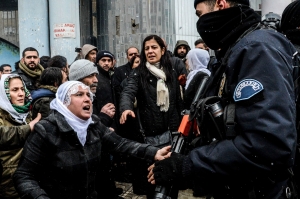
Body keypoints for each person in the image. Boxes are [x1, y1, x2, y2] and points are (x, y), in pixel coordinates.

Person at [148, 0, 297, 198]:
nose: (200, 23)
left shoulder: (256, 48)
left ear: (220, 4)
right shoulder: (235, 49)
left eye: (200, 14)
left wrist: (190, 165)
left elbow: (268, 146)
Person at [13, 81, 170, 199]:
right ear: (63, 102)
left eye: (88, 95)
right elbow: (24, 175)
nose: (87, 99)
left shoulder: (93, 124)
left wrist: (154, 152)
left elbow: (121, 144)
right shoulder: (45, 130)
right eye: (79, 95)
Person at [120, 35, 183, 198]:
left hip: (171, 134)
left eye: (154, 47)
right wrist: (126, 108)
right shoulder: (138, 73)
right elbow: (128, 92)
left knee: (170, 179)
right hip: (149, 137)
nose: (150, 51)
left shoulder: (170, 72)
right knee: (153, 181)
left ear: (163, 50)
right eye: (147, 48)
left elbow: (177, 102)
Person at [0, 74, 41, 199]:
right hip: (8, 179)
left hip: (29, 176)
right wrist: (29, 127)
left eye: (22, 89)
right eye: (14, 90)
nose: (21, 94)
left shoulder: (26, 112)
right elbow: (3, 135)